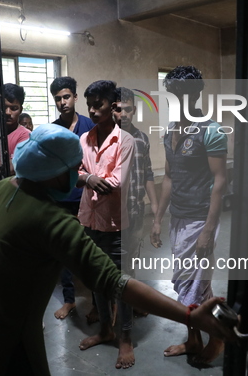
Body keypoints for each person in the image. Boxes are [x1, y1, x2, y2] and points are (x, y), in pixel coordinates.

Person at [0, 124, 234, 376]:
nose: (76, 174)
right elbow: (115, 281)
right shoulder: (51, 222)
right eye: (73, 168)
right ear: (54, 171)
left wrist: (84, 178)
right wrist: (189, 315)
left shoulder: (2, 188)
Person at [150, 66, 228, 364]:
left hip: (200, 218)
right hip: (178, 217)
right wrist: (158, 217)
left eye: (184, 92)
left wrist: (209, 229)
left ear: (196, 94)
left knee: (191, 284)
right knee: (194, 284)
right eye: (173, 93)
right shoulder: (169, 131)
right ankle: (194, 340)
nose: (178, 98)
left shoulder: (211, 130)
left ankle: (218, 337)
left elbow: (220, 180)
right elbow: (169, 177)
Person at [76, 80, 137, 369]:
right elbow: (74, 170)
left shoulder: (125, 141)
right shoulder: (84, 139)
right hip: (89, 219)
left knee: (119, 284)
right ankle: (105, 329)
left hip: (115, 225)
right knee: (96, 280)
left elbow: (118, 181)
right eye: (89, 104)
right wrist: (89, 178)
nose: (92, 109)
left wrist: (91, 178)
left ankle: (125, 336)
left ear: (112, 106)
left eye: (98, 104)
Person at [49, 76, 95, 320]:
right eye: (58, 99)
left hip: (88, 197)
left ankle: (97, 302)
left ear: (75, 98)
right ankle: (69, 300)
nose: (62, 102)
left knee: (92, 248)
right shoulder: (53, 129)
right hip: (63, 197)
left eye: (66, 97)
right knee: (66, 249)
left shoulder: (90, 125)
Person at [115, 87, 158, 316]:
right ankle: (113, 306)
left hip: (136, 210)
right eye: (119, 109)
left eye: (128, 109)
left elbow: (148, 173)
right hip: (112, 214)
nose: (124, 114)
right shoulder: (107, 138)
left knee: (132, 258)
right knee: (113, 261)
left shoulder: (142, 138)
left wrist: (154, 204)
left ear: (134, 110)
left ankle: (130, 302)